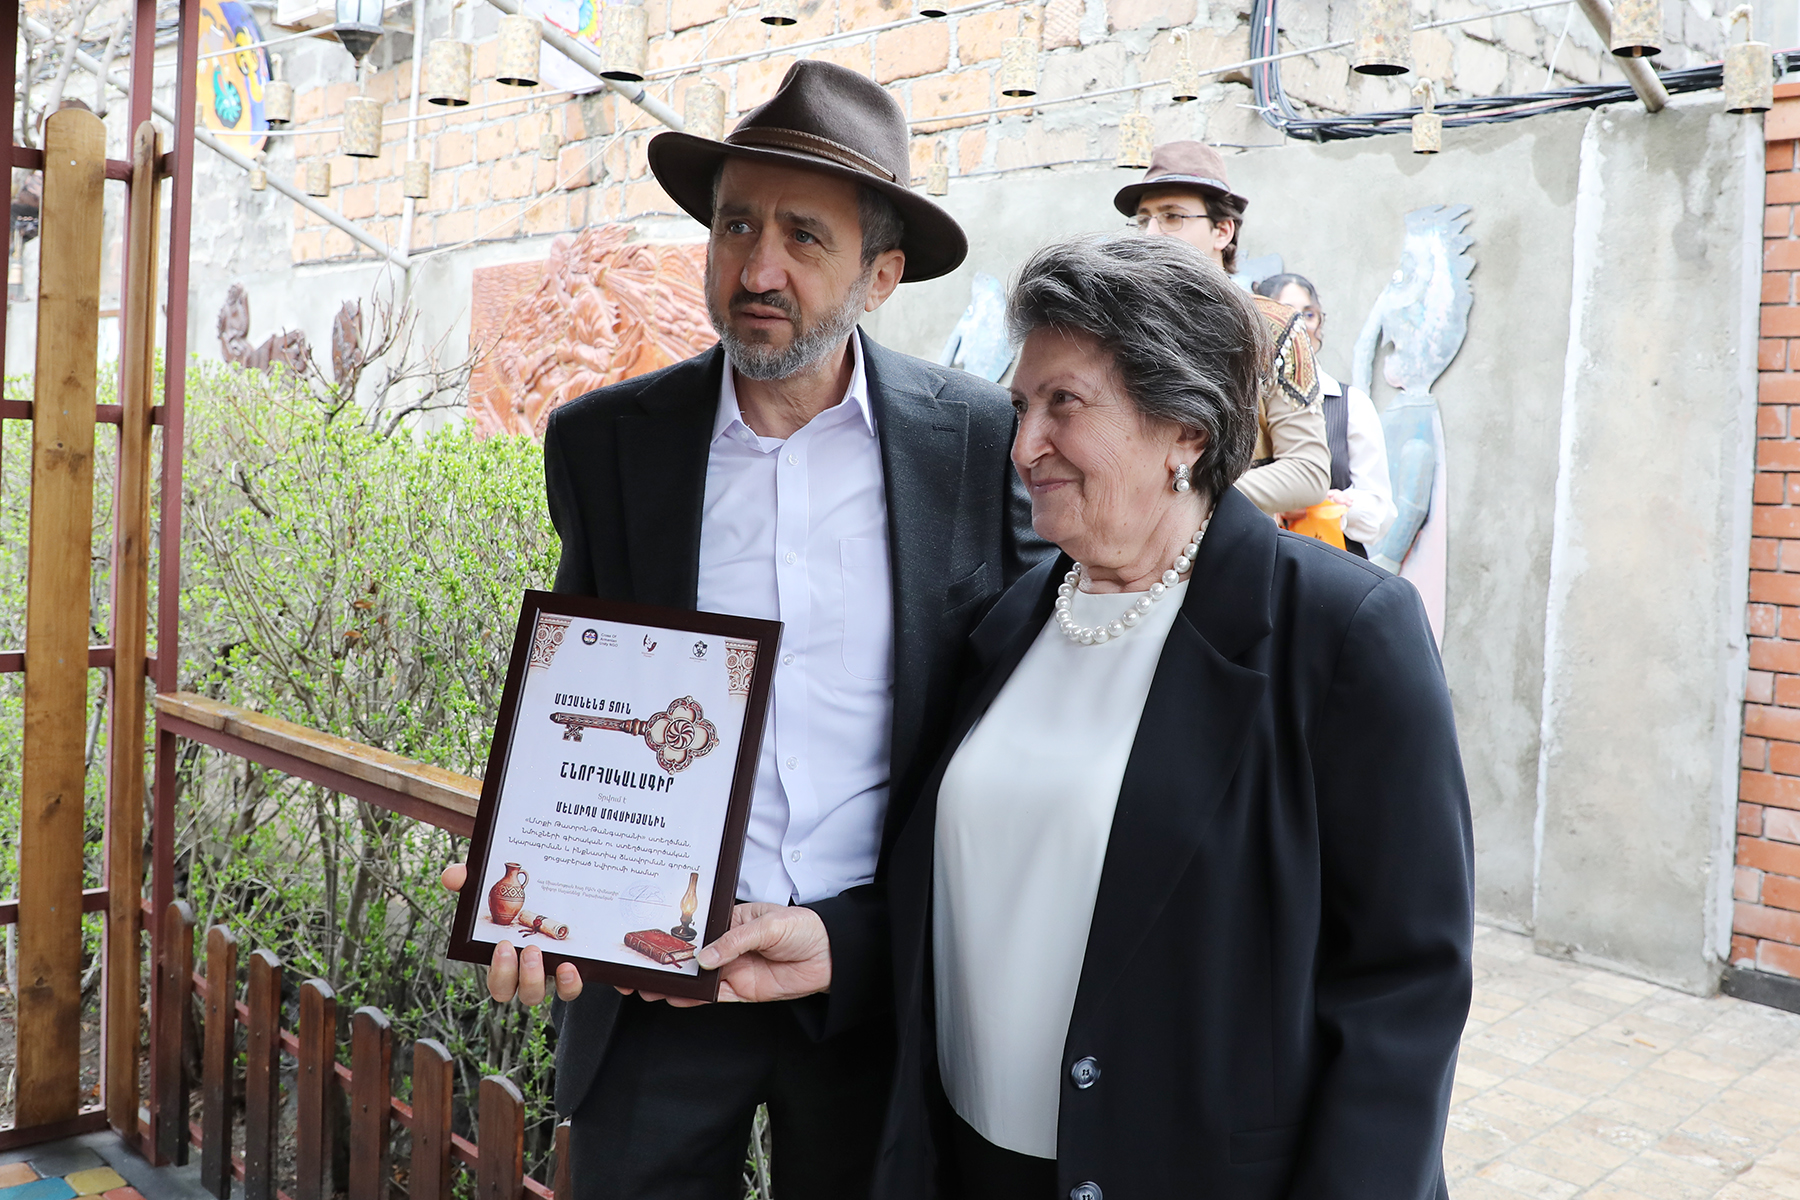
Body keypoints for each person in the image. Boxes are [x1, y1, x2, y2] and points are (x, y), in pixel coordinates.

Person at [442, 60, 1043, 1200]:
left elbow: (1017, 708)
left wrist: (875, 941)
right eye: (736, 226)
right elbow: (584, 689)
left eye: (805, 237)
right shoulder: (608, 444)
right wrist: (538, 876)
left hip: (873, 984)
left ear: (881, 275)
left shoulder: (974, 442)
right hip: (656, 977)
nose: (759, 269)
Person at [870, 236, 1474, 1199]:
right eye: (1022, 406)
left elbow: (1406, 984)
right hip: (970, 1168)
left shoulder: (1343, 633)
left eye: (1064, 404)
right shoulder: (1012, 620)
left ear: (1185, 431)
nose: (1023, 444)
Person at [1114, 140, 1331, 519]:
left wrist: (1189, 496)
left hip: (1232, 542)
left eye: (1172, 216)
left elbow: (1308, 472)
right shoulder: (1120, 327)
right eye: (1143, 219)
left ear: (1223, 231)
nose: (1151, 234)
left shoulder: (1271, 326)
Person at [1254, 272, 1398, 557]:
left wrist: (1323, 503)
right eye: (1288, 315)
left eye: (1308, 314)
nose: (1299, 326)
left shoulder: (1350, 403)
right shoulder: (1246, 404)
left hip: (1332, 563)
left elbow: (1381, 513)